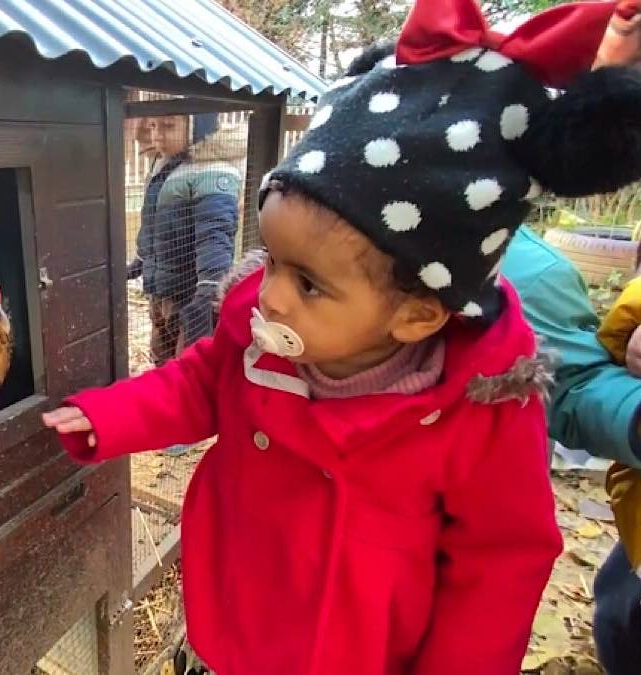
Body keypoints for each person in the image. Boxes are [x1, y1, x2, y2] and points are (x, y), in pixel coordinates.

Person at [43, 0, 641, 671]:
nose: (267, 292)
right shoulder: (259, 327)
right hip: (238, 606)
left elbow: (500, 561)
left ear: (419, 313)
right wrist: (107, 415)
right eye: (270, 257)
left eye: (309, 282)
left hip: (357, 645)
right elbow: (201, 378)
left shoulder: (484, 401)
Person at [500, 227, 641, 675]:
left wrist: (632, 418)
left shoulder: (528, 272)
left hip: (479, 533)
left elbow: (573, 380)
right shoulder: (298, 230)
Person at [128, 113, 240, 365]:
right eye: (154, 124)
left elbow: (215, 234)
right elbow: (152, 223)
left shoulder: (212, 170)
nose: (157, 134)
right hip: (160, 289)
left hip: (190, 296)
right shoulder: (163, 165)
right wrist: (140, 260)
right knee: (160, 359)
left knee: (186, 366)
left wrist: (209, 289)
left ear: (197, 126)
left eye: (169, 126)